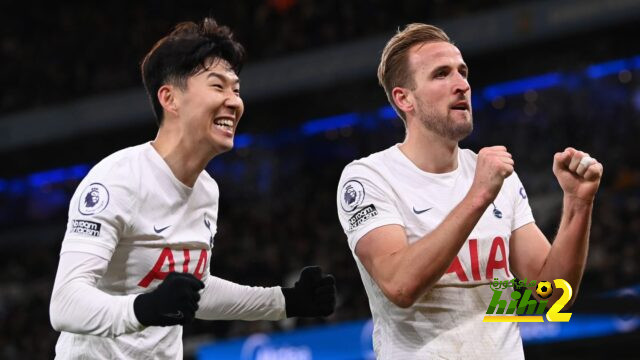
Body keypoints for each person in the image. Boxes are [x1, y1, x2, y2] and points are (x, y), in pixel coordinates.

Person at [49, 18, 336, 359]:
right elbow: (65, 304)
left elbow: (195, 291)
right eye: (218, 87)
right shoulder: (116, 180)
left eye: (237, 90)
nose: (233, 101)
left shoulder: (206, 191)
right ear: (170, 98)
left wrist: (285, 301)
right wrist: (144, 309)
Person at [336, 23, 603, 359]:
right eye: (441, 75)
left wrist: (579, 203)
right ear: (405, 99)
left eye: (463, 72)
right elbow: (400, 285)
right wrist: (478, 194)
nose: (462, 85)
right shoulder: (369, 177)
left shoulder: (497, 177)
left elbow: (549, 296)